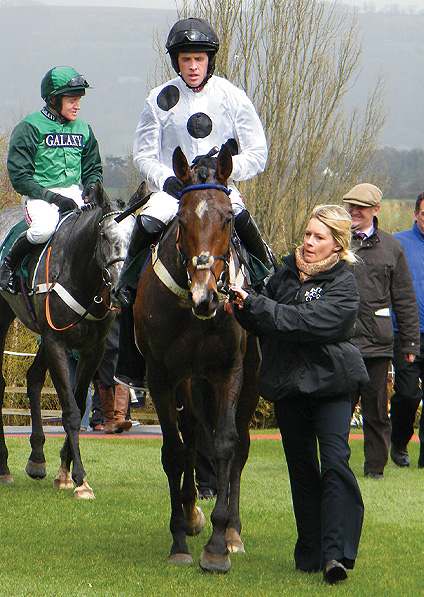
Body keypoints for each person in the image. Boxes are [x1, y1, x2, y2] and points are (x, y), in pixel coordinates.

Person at [226, 205, 366, 584]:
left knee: (335, 462)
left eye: (318, 237)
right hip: (289, 386)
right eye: (306, 234)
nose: (308, 243)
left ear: (337, 246)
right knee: (302, 471)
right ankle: (310, 552)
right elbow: (262, 321)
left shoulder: (344, 284)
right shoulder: (282, 277)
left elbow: (306, 322)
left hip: (333, 386)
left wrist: (262, 307)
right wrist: (240, 305)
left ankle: (335, 555)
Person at [115, 17, 270, 308]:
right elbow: (143, 155)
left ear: (209, 60)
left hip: (220, 189)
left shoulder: (234, 97)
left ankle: (263, 279)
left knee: (240, 215)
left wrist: (226, 170)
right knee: (149, 221)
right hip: (173, 191)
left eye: (199, 58)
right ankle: (128, 282)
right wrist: (167, 180)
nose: (193, 67)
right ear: (177, 62)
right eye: (186, 59)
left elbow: (258, 153)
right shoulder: (156, 99)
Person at [1, 66, 102, 293]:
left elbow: (93, 167)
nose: (78, 106)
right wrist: (52, 197)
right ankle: (7, 264)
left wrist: (93, 186)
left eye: (79, 101)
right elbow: (20, 177)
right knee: (44, 230)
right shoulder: (29, 127)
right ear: (54, 99)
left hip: (74, 193)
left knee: (102, 226)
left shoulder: (84, 129)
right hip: (40, 196)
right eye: (72, 101)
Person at [343, 183, 420, 479]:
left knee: (376, 411)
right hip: (341, 342)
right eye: (351, 205)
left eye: (360, 207)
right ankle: (336, 465)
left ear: (375, 210)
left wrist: (411, 344)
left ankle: (375, 469)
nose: (354, 211)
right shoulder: (336, 241)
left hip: (377, 345)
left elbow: (405, 299)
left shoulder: (392, 248)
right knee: (338, 410)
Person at [389, 193, 424, 468]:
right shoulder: (398, 244)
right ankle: (399, 442)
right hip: (406, 333)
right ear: (415, 215)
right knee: (409, 393)